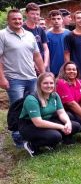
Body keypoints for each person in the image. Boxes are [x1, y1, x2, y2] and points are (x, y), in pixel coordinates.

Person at [1, 9, 46, 145]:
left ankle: (30, 133)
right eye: (14, 19)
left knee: (32, 107)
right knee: (17, 109)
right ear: (8, 20)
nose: (18, 21)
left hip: (31, 78)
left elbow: (37, 56)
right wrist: (1, 78)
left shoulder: (30, 35)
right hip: (14, 79)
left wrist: (43, 74)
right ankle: (18, 138)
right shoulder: (2, 35)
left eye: (19, 19)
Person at [18, 72, 81, 156]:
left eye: (51, 83)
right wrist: (61, 127)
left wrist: (68, 123)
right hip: (29, 125)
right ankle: (32, 145)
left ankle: (52, 142)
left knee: (75, 126)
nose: (49, 85)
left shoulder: (54, 95)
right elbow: (38, 122)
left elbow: (61, 112)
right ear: (39, 84)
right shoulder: (31, 99)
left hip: (47, 120)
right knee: (55, 136)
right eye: (45, 83)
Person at [56, 61, 81, 134]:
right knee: (72, 118)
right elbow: (71, 103)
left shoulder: (80, 82)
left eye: (74, 69)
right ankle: (66, 136)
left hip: (73, 110)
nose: (72, 71)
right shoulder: (61, 82)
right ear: (64, 71)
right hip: (61, 112)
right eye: (69, 69)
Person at [23, 3, 49, 71]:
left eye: (37, 14)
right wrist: (35, 64)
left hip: (43, 64)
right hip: (28, 65)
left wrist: (45, 64)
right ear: (26, 13)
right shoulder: (21, 29)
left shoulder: (40, 29)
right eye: (32, 14)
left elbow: (46, 49)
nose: (35, 16)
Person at [46, 10, 70, 76]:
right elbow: (46, 53)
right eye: (53, 19)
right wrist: (47, 70)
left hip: (67, 69)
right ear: (50, 21)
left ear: (62, 20)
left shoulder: (69, 34)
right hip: (53, 70)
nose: (56, 21)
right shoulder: (47, 35)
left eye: (58, 19)